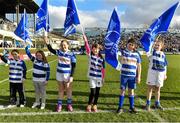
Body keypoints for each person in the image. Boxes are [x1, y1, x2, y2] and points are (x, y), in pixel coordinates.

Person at [44, 37, 76, 112]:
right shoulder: (59, 52)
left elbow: (74, 65)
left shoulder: (72, 54)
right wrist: (47, 43)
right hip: (59, 74)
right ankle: (59, 105)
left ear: (68, 45)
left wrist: (71, 76)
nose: (63, 46)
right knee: (61, 90)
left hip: (67, 74)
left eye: (65, 45)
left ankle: (69, 104)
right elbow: (51, 49)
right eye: (62, 45)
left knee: (68, 90)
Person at [117, 38, 141, 114]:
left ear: (134, 46)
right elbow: (115, 53)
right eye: (129, 44)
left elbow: (139, 66)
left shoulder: (137, 54)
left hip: (132, 76)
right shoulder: (122, 52)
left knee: (131, 91)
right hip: (124, 75)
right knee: (122, 91)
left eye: (132, 45)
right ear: (127, 44)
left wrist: (138, 76)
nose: (130, 46)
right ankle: (120, 107)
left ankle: (131, 107)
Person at [83, 35, 105, 112]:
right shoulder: (90, 56)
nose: (95, 50)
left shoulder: (102, 58)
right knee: (93, 92)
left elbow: (103, 69)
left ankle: (95, 104)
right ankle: (89, 104)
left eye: (97, 48)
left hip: (99, 77)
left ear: (99, 50)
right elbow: (87, 48)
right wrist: (85, 40)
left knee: (97, 92)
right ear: (92, 49)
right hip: (92, 77)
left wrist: (103, 78)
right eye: (94, 48)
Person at [145, 39, 167, 111]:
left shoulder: (163, 54)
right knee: (150, 88)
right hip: (152, 73)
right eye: (155, 45)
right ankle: (148, 104)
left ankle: (157, 103)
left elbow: (165, 65)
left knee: (158, 89)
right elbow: (148, 50)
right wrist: (152, 44)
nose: (157, 46)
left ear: (161, 47)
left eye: (158, 45)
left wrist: (165, 74)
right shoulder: (151, 53)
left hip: (160, 73)